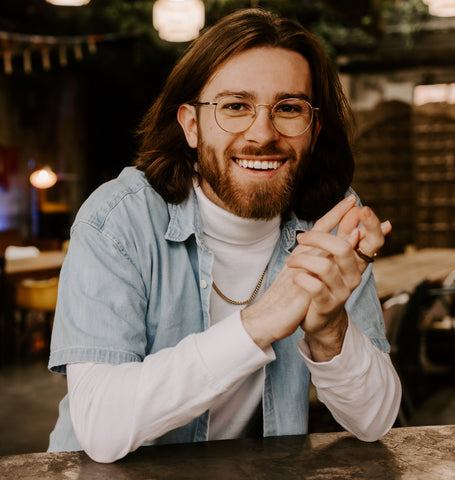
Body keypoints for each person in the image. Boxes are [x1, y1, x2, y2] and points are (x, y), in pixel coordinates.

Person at [48, 8, 401, 463]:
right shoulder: (118, 220)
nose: (262, 133)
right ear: (192, 125)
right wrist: (257, 323)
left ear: (313, 131)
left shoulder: (326, 221)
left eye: (288, 108)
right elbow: (99, 426)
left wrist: (331, 330)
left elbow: (374, 420)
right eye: (235, 106)